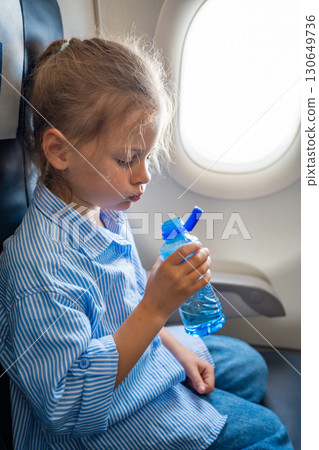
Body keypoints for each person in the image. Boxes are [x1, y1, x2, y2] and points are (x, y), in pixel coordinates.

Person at [0, 36, 293, 449]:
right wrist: (157, 306)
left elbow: (126, 303)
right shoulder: (40, 269)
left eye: (148, 158)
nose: (144, 176)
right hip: (103, 419)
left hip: (136, 359)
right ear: (59, 150)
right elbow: (66, 403)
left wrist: (170, 340)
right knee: (269, 432)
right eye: (126, 160)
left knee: (246, 364)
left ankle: (184, 384)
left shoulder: (104, 210)